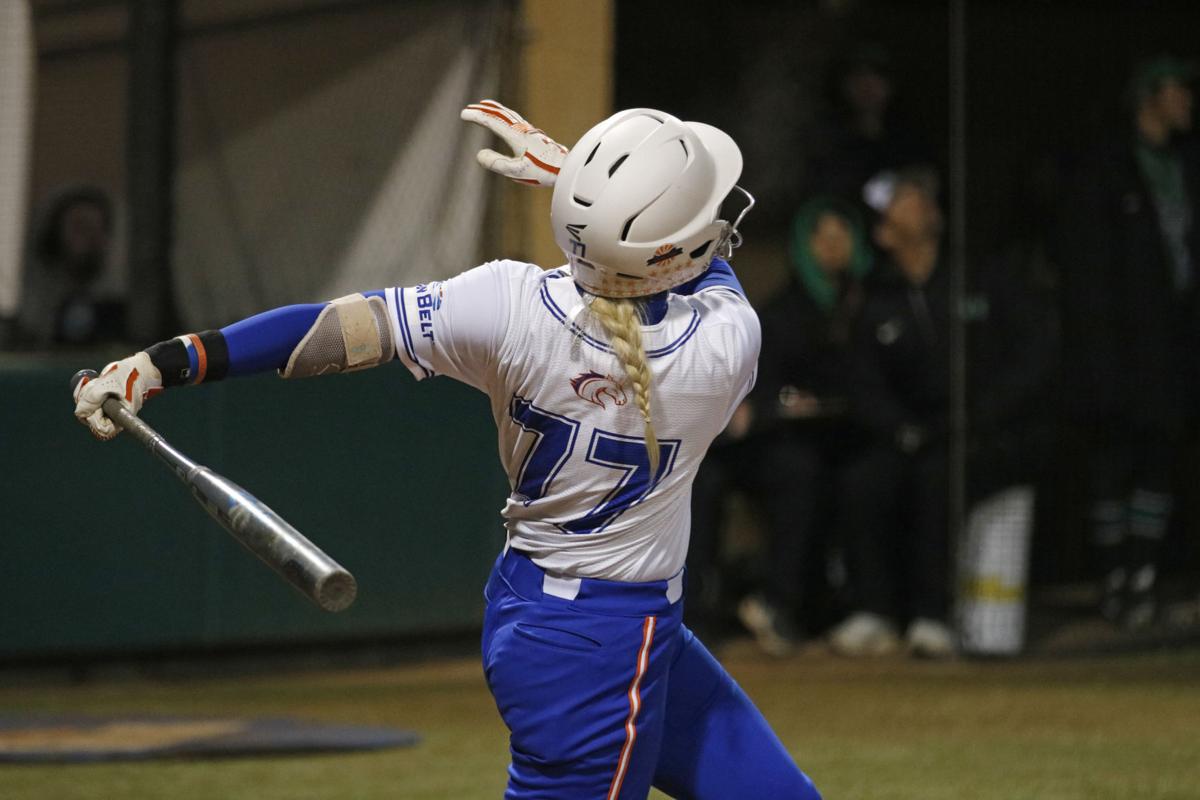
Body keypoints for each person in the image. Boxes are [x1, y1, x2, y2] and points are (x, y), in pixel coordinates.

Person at [73, 100, 820, 799]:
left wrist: (157, 364)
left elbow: (328, 332)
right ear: (663, 255)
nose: (721, 226)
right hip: (596, 649)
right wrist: (576, 179)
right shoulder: (725, 347)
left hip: (552, 612)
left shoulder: (506, 305)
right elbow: (695, 261)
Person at [831, 167, 1052, 659]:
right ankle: (877, 611)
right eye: (903, 201)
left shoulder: (981, 275)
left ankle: (933, 615)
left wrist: (981, 414)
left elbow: (1033, 354)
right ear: (885, 233)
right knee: (866, 481)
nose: (918, 203)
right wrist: (900, 428)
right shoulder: (876, 297)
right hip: (910, 434)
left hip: (983, 430)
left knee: (939, 479)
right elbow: (864, 383)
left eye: (919, 197)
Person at [690, 197, 873, 656]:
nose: (831, 246)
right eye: (821, 236)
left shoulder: (867, 301)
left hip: (838, 435)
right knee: (721, 481)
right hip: (752, 442)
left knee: (842, 474)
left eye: (840, 235)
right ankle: (699, 614)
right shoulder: (776, 311)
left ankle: (814, 606)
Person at [1059, 55, 1200, 630]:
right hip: (1120, 343)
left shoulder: (1186, 164)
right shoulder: (1110, 166)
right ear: (1149, 95)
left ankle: (1142, 575)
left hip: (1174, 338)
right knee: (1114, 459)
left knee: (1159, 456)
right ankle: (1115, 578)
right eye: (1178, 90)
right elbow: (1091, 269)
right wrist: (1100, 354)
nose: (1188, 100)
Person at [14, 185, 127, 348]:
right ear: (54, 235)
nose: (92, 238)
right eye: (81, 228)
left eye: (99, 228)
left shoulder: (121, 310)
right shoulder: (32, 314)